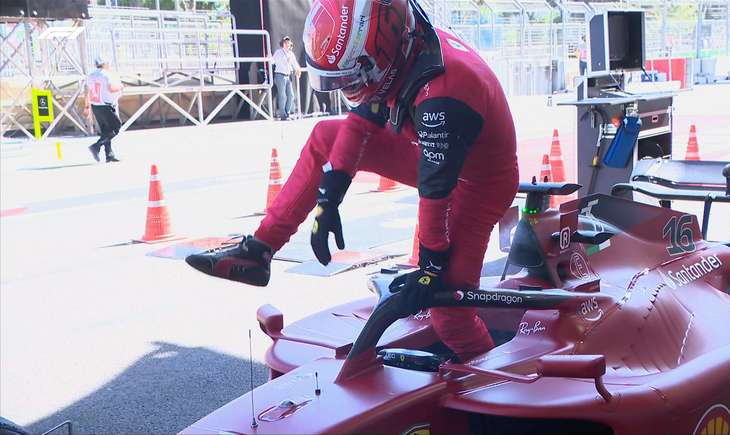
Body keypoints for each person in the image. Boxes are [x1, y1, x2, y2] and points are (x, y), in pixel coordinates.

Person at [186, 0, 518, 361]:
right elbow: (359, 125)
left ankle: (494, 380)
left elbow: (436, 191)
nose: (347, 88)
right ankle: (259, 250)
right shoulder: (399, 49)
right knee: (325, 137)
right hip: (441, 154)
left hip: (481, 184)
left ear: (380, 57)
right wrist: (329, 197)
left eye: (350, 79)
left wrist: (430, 268)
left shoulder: (444, 91)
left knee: (450, 313)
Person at [84, 56, 123, 162]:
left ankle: (109, 154)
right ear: (105, 63)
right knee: (116, 127)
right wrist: (121, 86)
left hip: (96, 105)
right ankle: (96, 146)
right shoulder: (106, 74)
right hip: (106, 105)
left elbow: (88, 91)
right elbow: (111, 88)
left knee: (106, 130)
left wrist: (87, 107)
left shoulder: (91, 75)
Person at [272, 36, 301, 121]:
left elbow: (295, 63)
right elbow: (273, 61)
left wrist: (298, 69)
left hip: (288, 76)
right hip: (280, 75)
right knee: (282, 95)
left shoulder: (291, 54)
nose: (287, 44)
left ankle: (286, 112)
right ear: (283, 44)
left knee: (291, 95)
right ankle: (283, 115)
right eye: (286, 42)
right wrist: (285, 60)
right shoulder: (278, 52)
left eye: (288, 42)